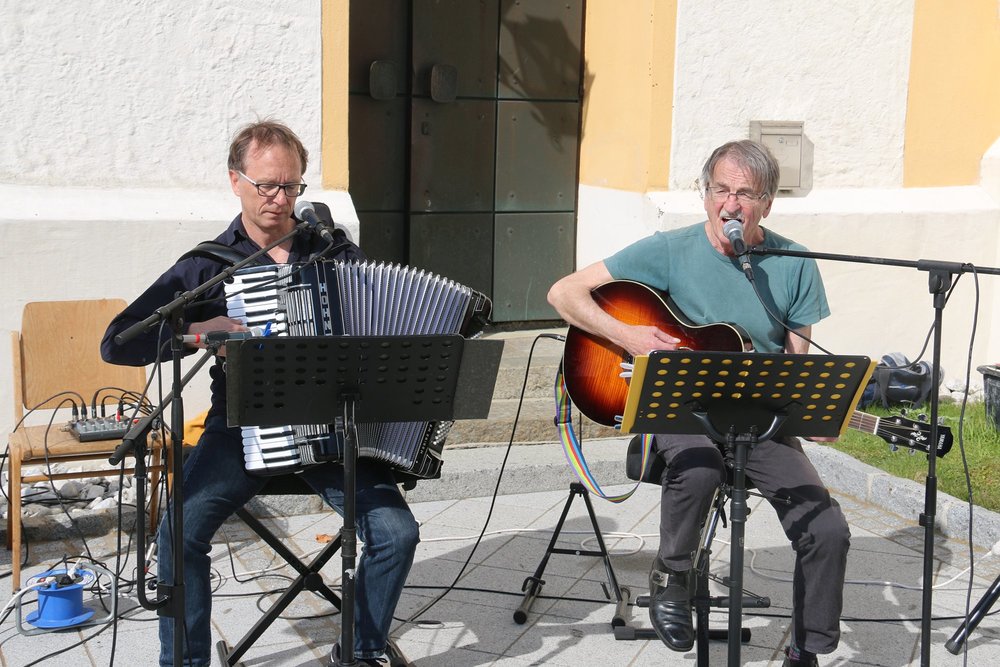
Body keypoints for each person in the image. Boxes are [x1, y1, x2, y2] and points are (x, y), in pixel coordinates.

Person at [101, 120, 418, 667]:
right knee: (178, 534)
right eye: (267, 185)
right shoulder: (208, 265)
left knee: (397, 532)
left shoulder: (334, 252)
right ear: (236, 181)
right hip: (240, 425)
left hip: (327, 428)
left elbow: (381, 324)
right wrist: (195, 331)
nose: (280, 198)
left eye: (291, 186)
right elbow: (119, 342)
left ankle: (362, 650)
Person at [546, 140, 848, 667]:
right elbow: (563, 293)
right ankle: (673, 576)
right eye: (721, 190)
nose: (731, 204)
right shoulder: (669, 249)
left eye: (745, 194)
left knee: (827, 529)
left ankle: (807, 648)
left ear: (767, 204)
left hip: (757, 418)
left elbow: (795, 368)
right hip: (680, 408)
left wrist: (812, 415)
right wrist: (629, 335)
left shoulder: (794, 263)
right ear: (706, 195)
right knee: (701, 468)